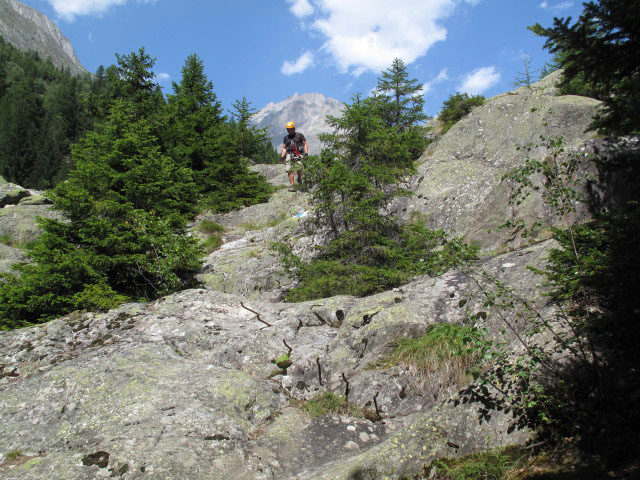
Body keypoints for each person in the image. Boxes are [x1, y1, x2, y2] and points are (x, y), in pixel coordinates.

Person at [280, 121, 308, 191]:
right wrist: (282, 156)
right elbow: (284, 148)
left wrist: (306, 153)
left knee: (299, 168)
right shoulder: (286, 138)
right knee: (289, 170)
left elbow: (305, 144)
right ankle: (292, 185)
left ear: (294, 128)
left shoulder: (300, 135)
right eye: (288, 129)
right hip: (289, 154)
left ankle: (299, 178)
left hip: (298, 154)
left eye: (290, 129)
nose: (289, 131)